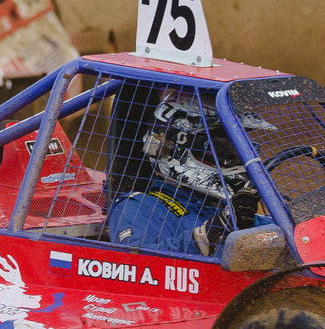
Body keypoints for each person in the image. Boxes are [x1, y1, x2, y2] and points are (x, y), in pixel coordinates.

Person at [105, 89, 252, 256]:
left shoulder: (225, 207)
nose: (232, 159)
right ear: (177, 147)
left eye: (239, 148)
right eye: (218, 149)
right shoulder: (138, 207)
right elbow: (136, 262)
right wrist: (203, 239)